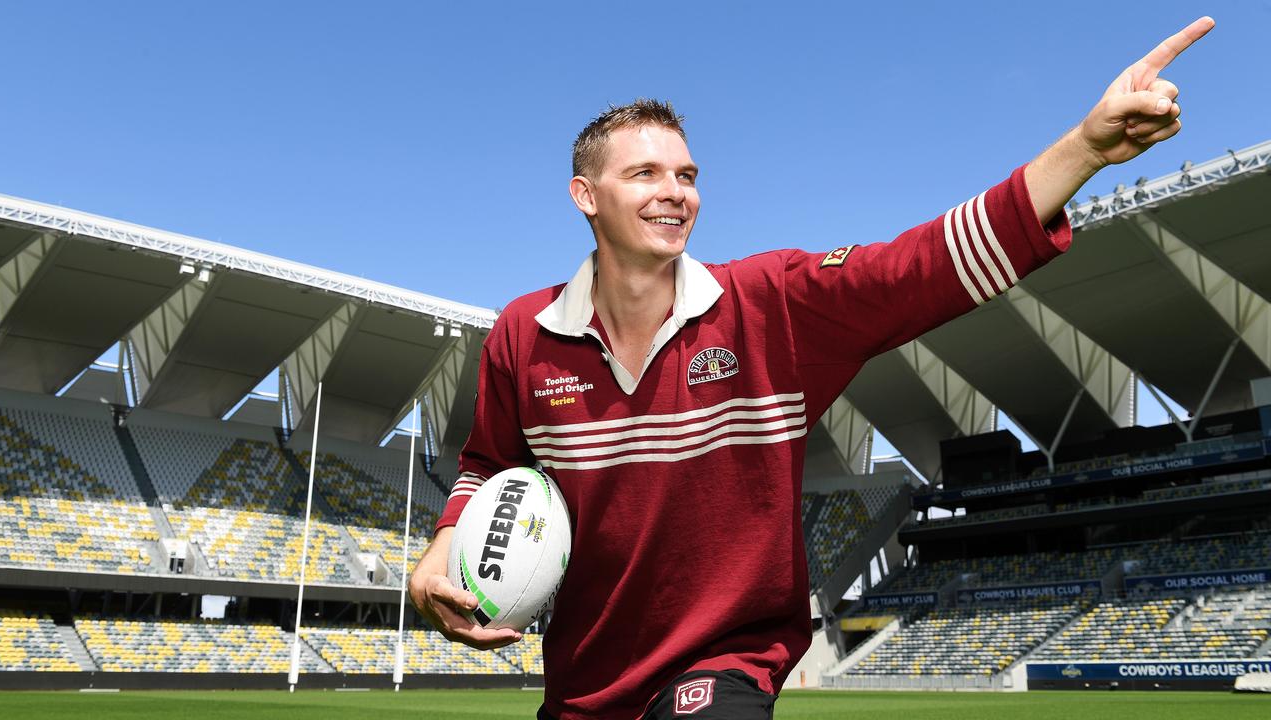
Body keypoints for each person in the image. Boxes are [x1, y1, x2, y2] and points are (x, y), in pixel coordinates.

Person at [409, 17, 1215, 719]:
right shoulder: (525, 331)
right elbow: (489, 464)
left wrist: (1083, 150)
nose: (676, 192)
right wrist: (436, 556)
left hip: (722, 665)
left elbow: (917, 269)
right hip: (585, 682)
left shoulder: (770, 303)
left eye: (687, 175)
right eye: (645, 174)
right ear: (586, 195)